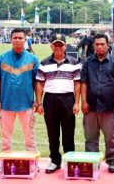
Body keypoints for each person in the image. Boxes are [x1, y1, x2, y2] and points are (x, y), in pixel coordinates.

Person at [0, 28, 40, 171]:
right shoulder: (2, 57)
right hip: (6, 103)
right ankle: (5, 163)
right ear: (10, 39)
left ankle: (33, 163)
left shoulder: (33, 59)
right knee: (5, 137)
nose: (18, 40)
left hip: (26, 103)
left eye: (20, 38)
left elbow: (37, 82)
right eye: (15, 38)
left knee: (29, 136)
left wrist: (38, 101)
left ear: (25, 40)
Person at [35, 34, 82, 173]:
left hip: (68, 98)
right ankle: (55, 160)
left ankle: (70, 160)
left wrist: (76, 102)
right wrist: (39, 103)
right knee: (52, 132)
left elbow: (77, 83)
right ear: (51, 46)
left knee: (68, 132)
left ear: (65, 46)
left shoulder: (74, 62)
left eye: (60, 45)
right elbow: (40, 84)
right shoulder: (44, 63)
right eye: (55, 45)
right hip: (50, 99)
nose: (58, 47)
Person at [80, 33, 114, 173]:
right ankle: (92, 161)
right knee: (90, 137)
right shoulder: (87, 62)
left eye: (102, 44)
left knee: (110, 137)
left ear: (107, 45)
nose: (99, 46)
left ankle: (111, 160)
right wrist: (83, 101)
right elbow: (84, 82)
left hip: (110, 107)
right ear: (93, 45)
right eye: (97, 44)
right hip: (91, 106)